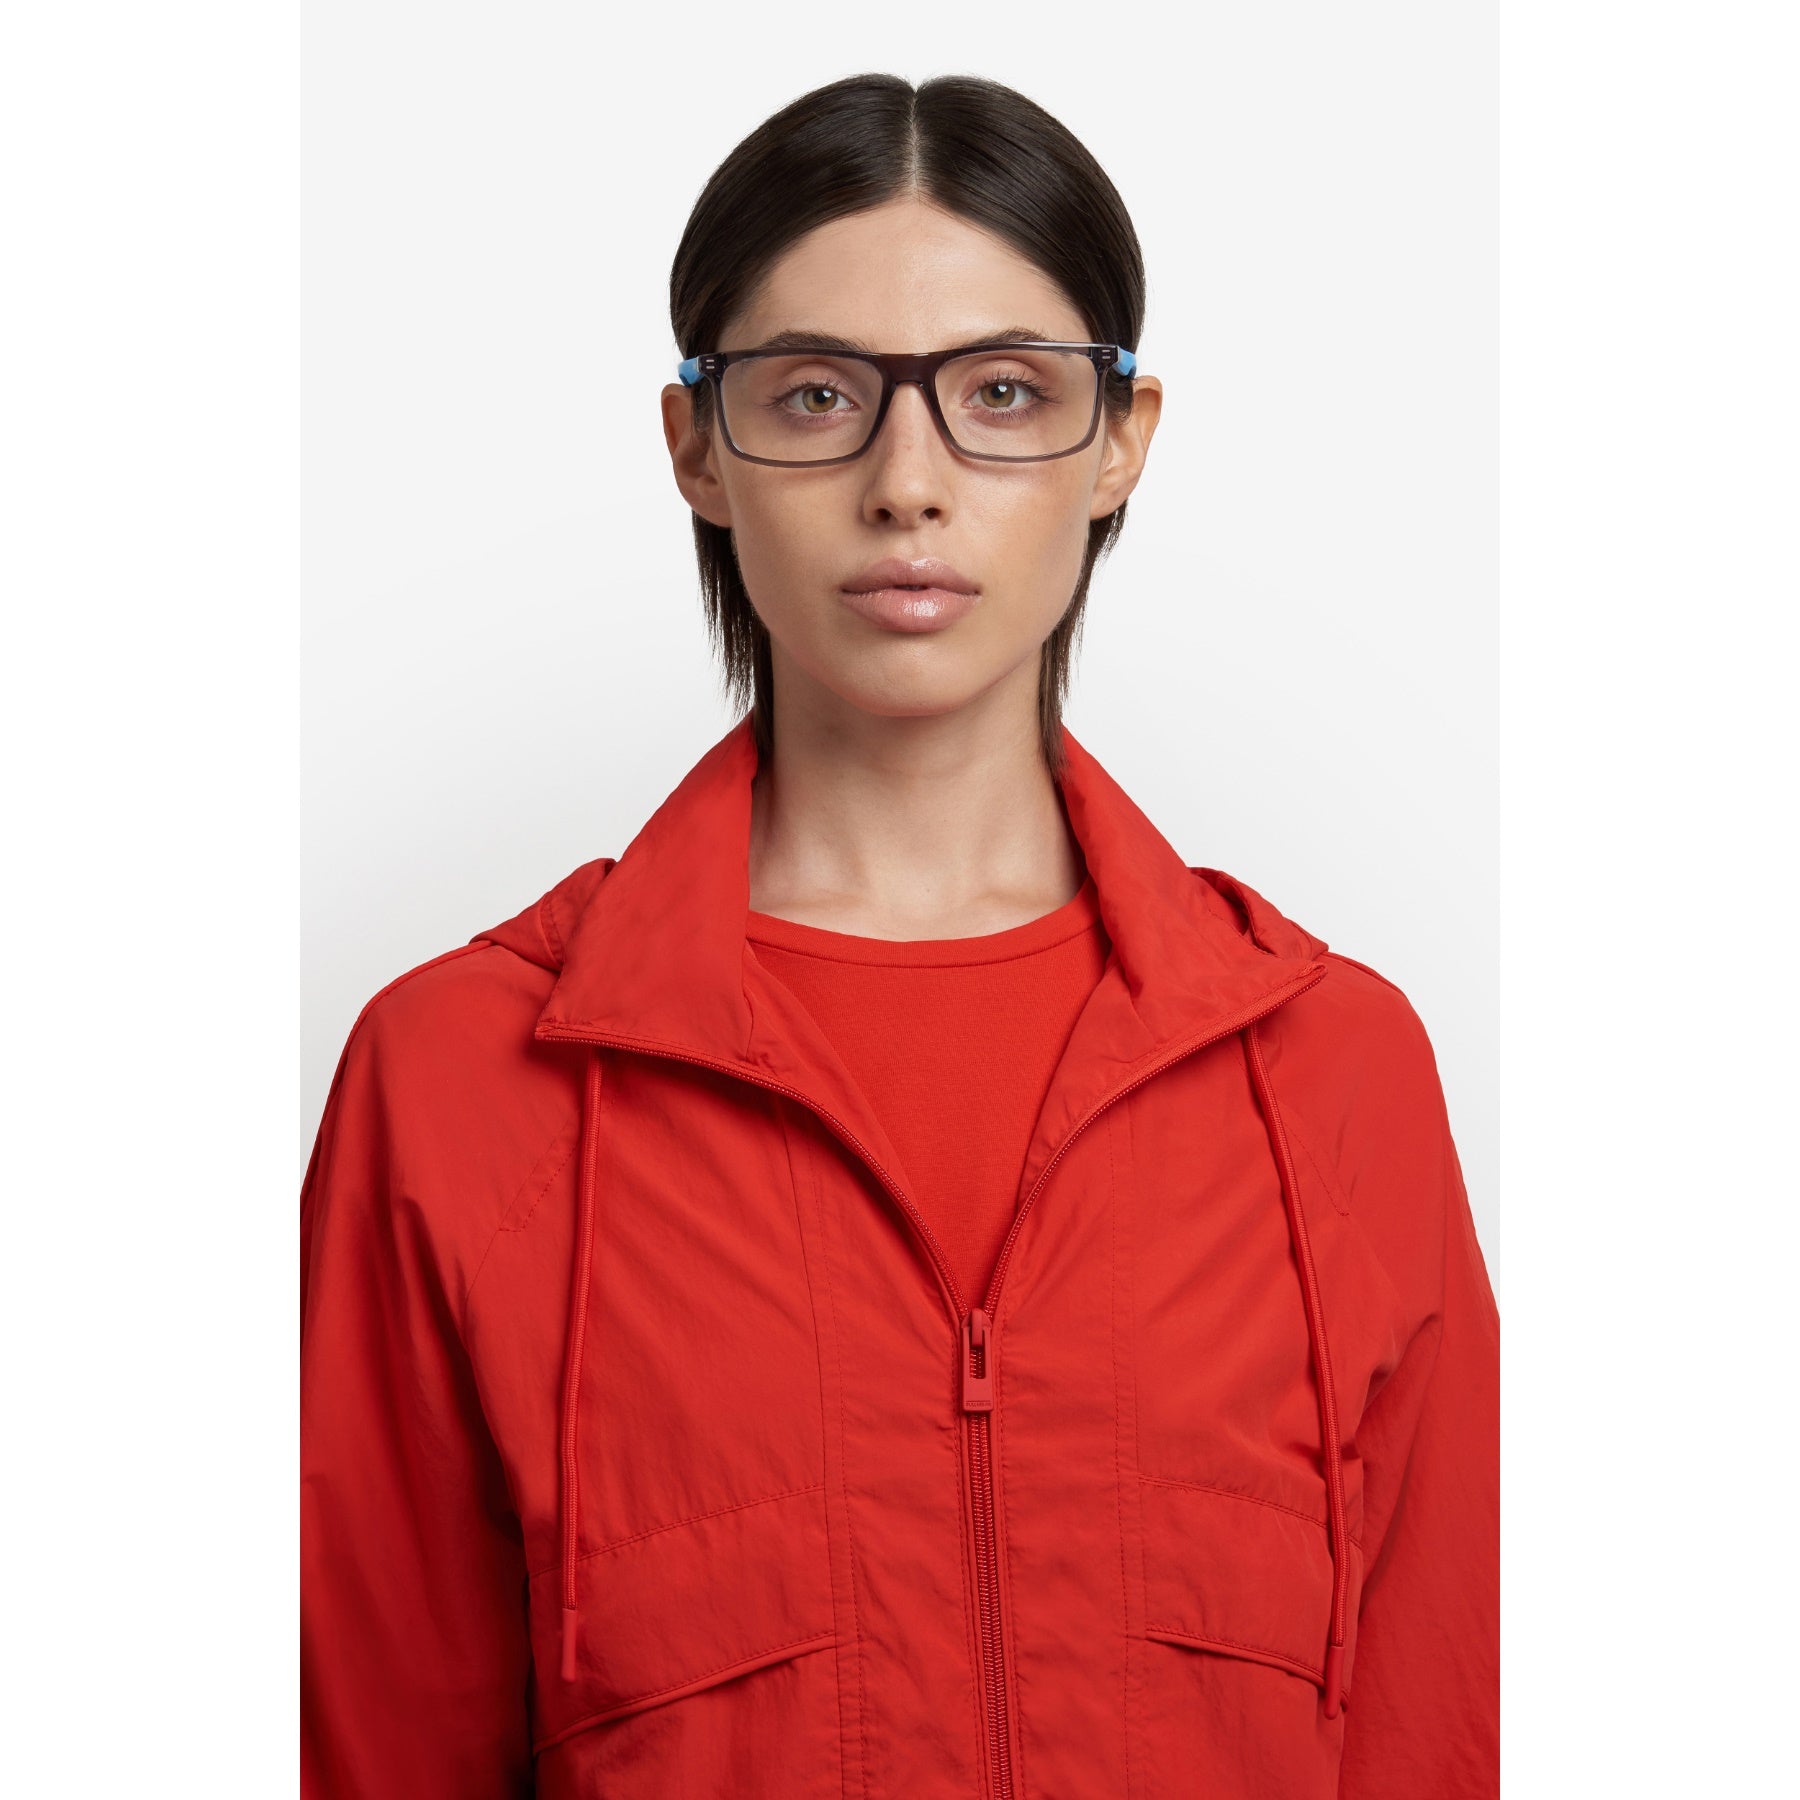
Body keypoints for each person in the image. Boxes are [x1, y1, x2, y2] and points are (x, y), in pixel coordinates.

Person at [300, 71, 1499, 1800]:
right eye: (817, 396)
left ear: (1121, 441)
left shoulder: (1335, 1070)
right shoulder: (454, 1083)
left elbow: (1440, 1730)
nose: (908, 482)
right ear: (698, 447)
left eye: (1005, 393)